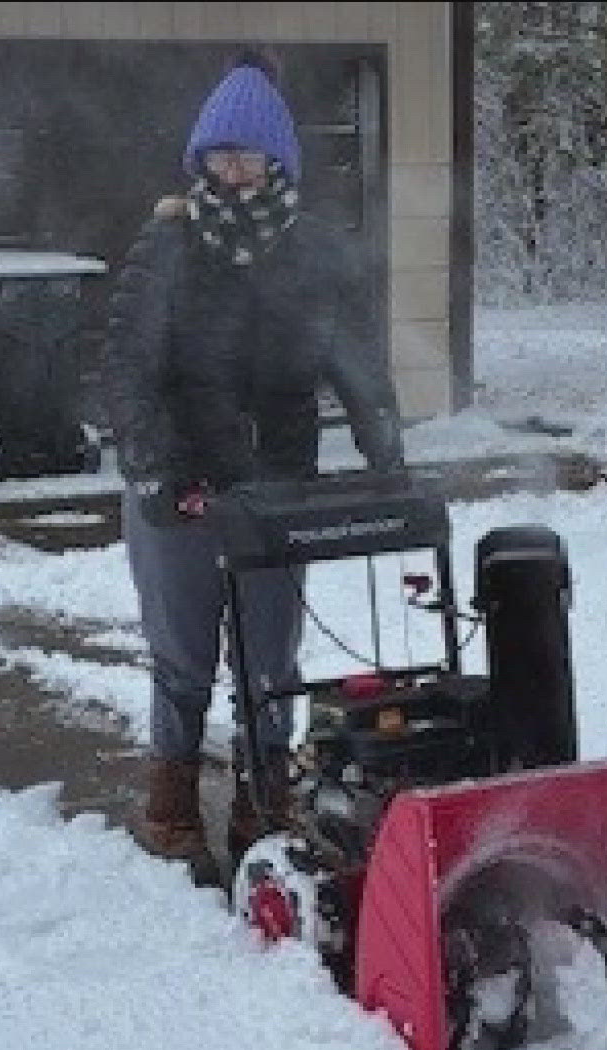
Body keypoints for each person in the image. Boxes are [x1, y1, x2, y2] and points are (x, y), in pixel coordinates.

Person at [103, 51, 405, 886]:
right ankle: (169, 807)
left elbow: (357, 362)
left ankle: (262, 801)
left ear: (279, 162)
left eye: (247, 155)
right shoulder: (167, 247)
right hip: (181, 489)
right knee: (182, 660)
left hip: (277, 489)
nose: (232, 170)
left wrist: (386, 450)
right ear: (199, 161)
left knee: (270, 664)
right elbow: (127, 369)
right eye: (218, 156)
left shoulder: (317, 253)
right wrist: (153, 466)